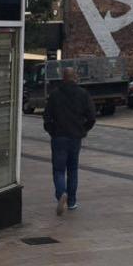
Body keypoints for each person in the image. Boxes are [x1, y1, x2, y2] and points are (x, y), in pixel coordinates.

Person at [43, 66, 96, 216]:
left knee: (58, 169)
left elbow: (47, 117)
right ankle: (72, 201)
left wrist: (51, 131)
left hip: (59, 137)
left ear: (63, 78)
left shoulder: (55, 95)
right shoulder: (83, 94)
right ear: (75, 77)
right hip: (75, 137)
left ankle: (61, 194)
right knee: (72, 170)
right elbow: (92, 117)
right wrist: (83, 129)